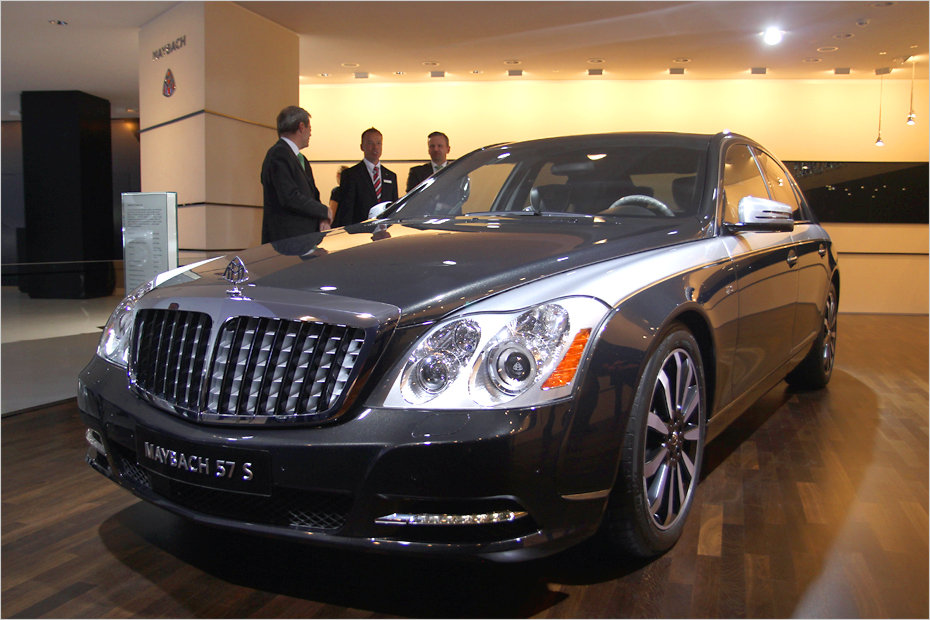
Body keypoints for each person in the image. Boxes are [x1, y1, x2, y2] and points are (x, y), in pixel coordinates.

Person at [260, 106, 331, 243]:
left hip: (304, 242)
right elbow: (289, 197)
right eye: (310, 129)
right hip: (286, 244)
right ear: (301, 127)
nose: (310, 134)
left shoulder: (301, 159)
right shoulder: (278, 154)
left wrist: (322, 218)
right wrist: (324, 211)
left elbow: (313, 195)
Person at [332, 127, 398, 227]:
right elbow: (346, 211)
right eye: (370, 143)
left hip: (385, 230)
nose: (375, 147)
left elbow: (393, 209)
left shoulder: (391, 176)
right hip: (359, 230)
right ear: (362, 147)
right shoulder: (350, 175)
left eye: (379, 143)